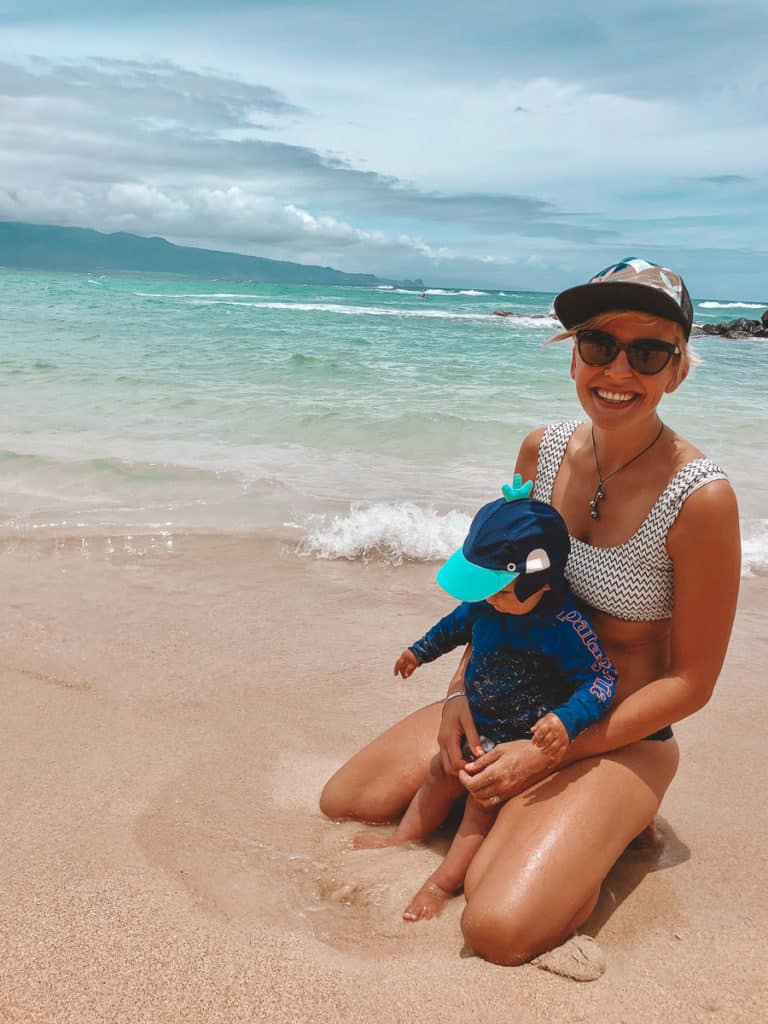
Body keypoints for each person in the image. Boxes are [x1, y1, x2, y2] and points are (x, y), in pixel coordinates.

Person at [320, 257, 741, 966]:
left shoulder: (699, 498)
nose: (618, 370)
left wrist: (549, 753)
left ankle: (610, 823)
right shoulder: (539, 452)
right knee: (349, 800)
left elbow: (692, 684)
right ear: (574, 351)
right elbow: (497, 585)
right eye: (599, 344)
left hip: (617, 726)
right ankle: (550, 818)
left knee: (496, 927)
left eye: (648, 352)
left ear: (678, 369)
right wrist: (460, 694)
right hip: (513, 693)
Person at [352, 479, 617, 924]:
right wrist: (418, 652)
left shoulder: (564, 626)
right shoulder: (487, 606)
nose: (488, 599)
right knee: (440, 771)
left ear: (542, 581)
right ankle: (406, 838)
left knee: (480, 800)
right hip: (479, 721)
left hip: (517, 739)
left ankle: (442, 883)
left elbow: (602, 679)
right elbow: (452, 626)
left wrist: (567, 720)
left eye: (499, 589)